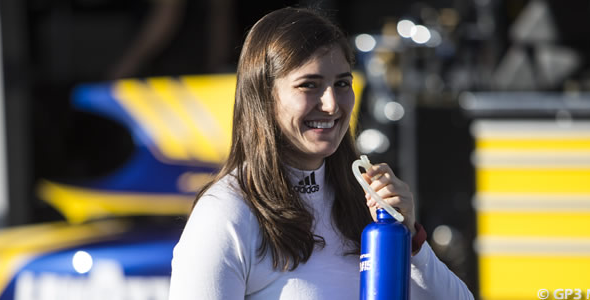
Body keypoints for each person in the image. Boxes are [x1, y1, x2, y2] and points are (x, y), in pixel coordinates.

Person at [168, 7, 474, 300]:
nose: (331, 104)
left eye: (342, 83)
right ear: (264, 96)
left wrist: (410, 238)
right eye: (309, 85)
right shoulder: (227, 212)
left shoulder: (362, 202)